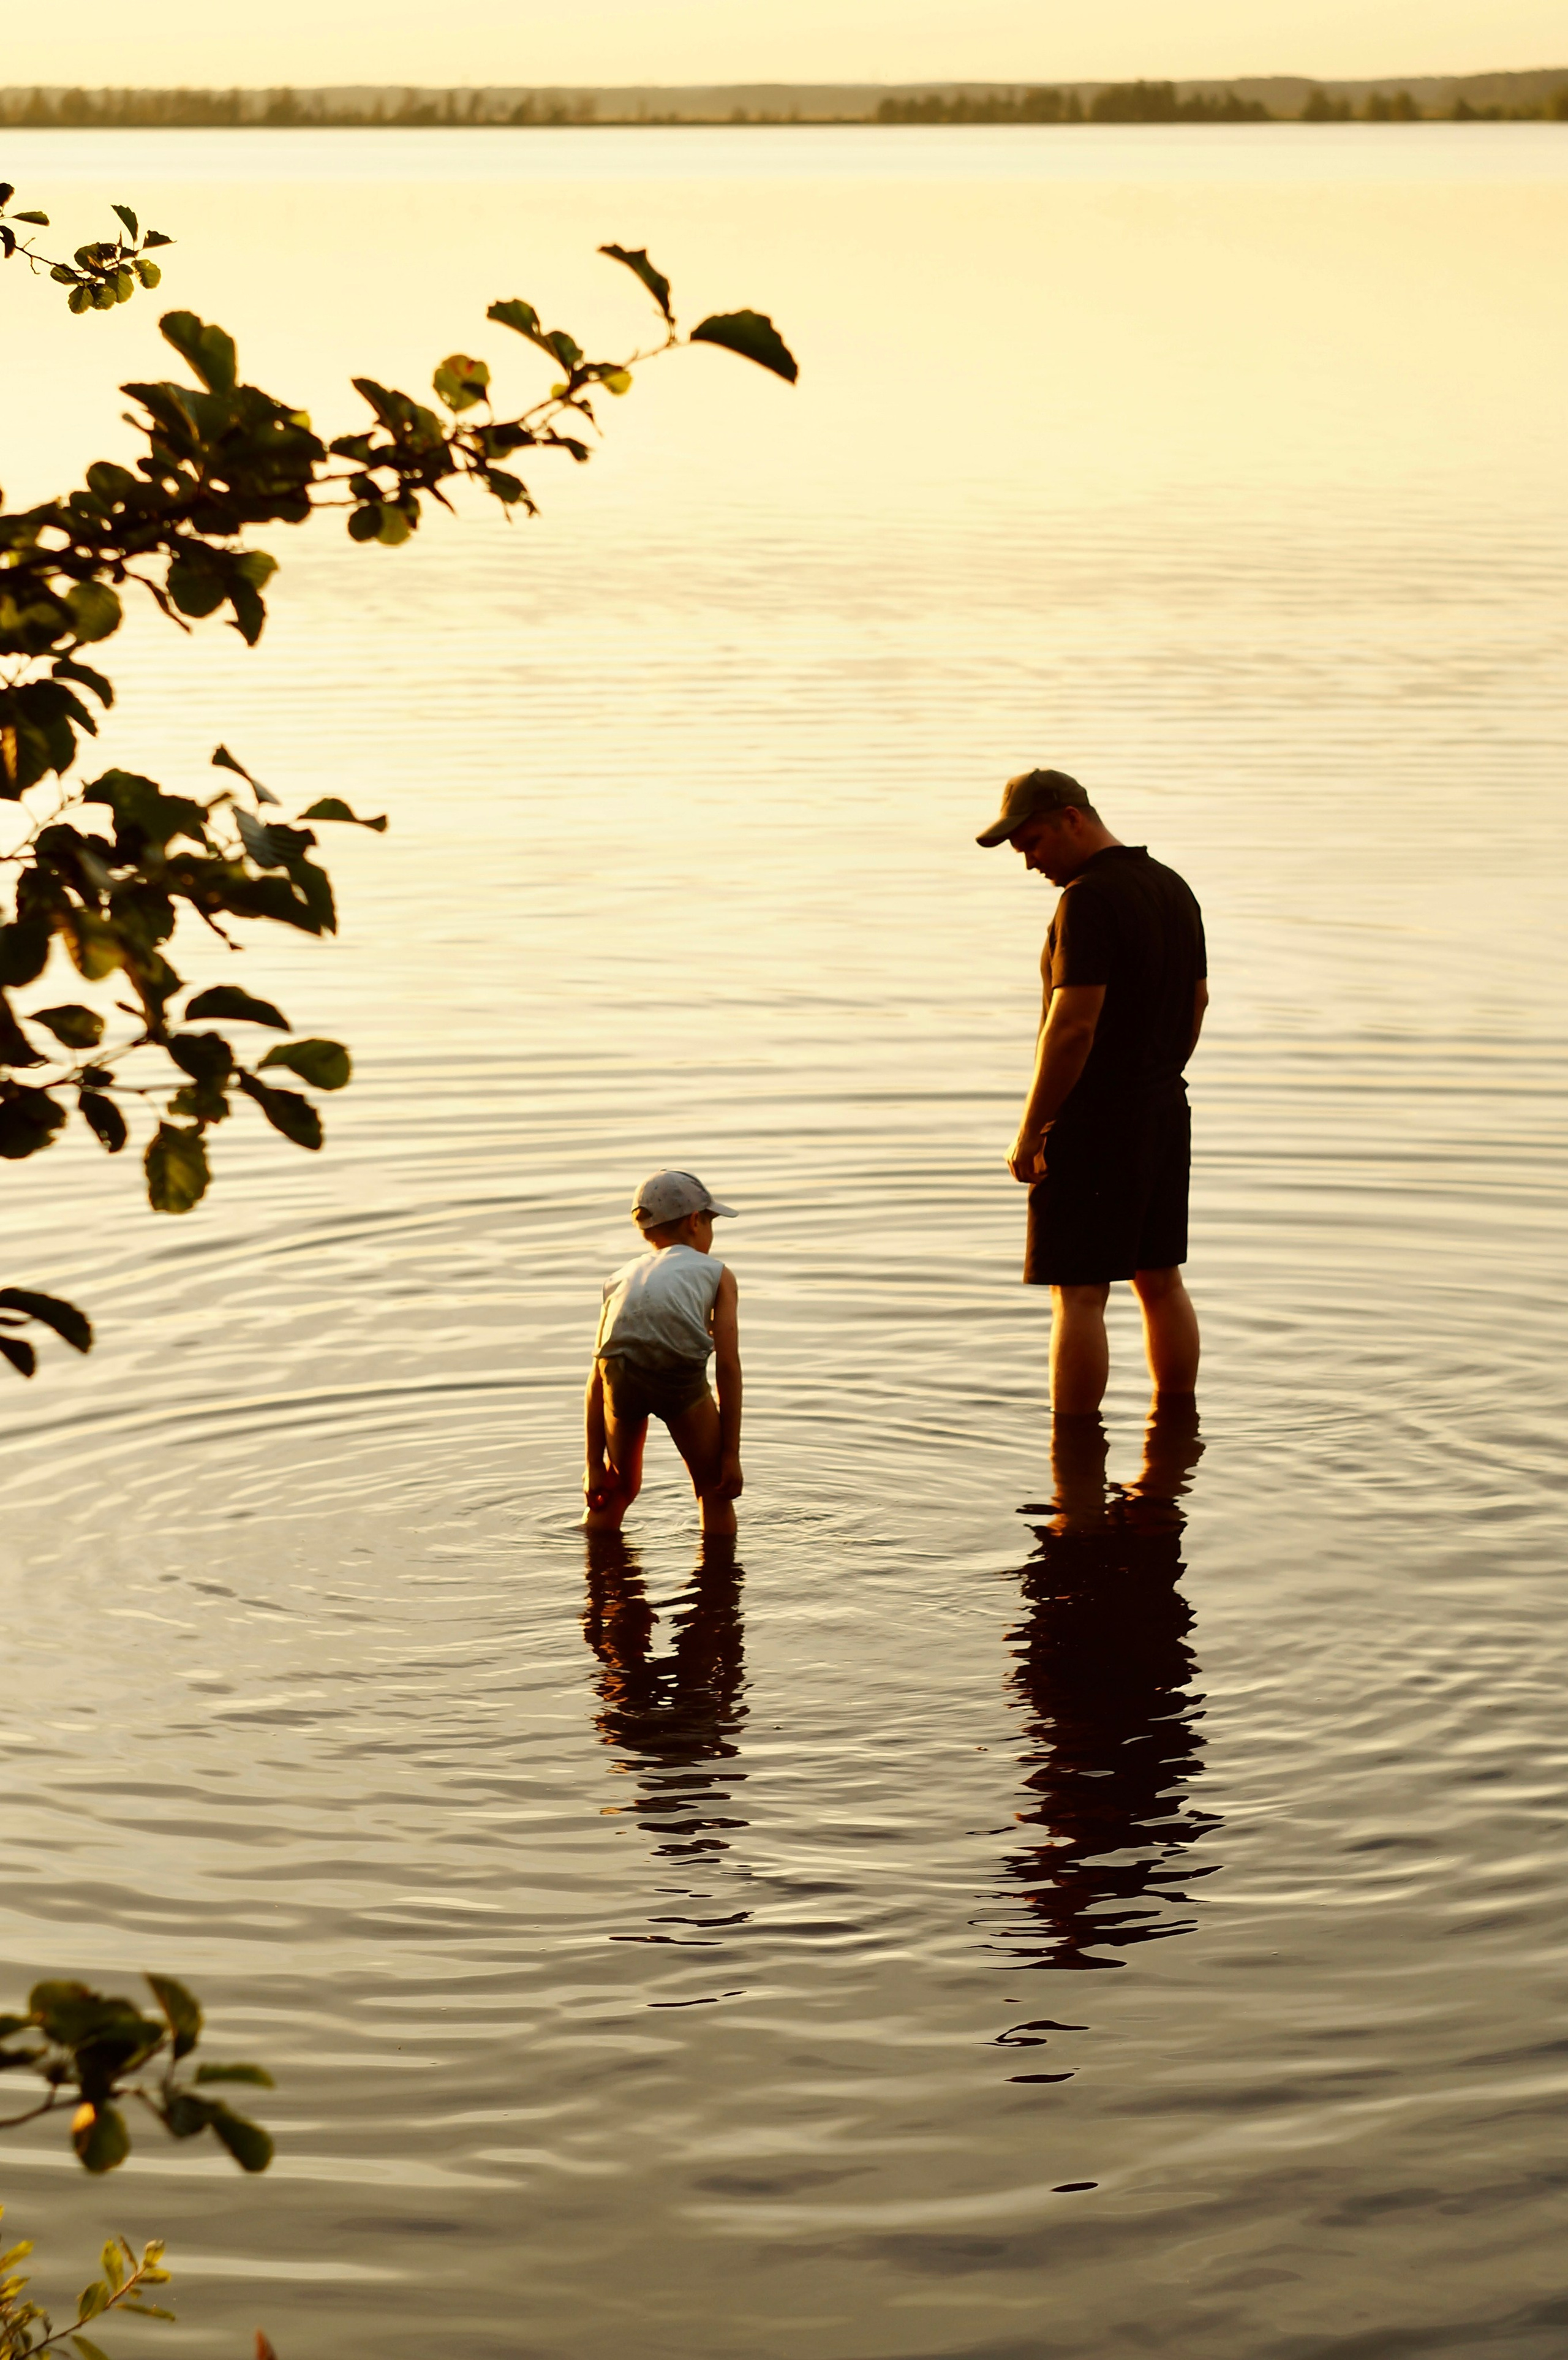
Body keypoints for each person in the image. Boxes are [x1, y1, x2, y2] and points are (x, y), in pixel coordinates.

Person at [976, 766, 1208, 1416]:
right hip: (1163, 1109)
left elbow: (1073, 1025)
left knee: (1078, 1293)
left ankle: (1072, 1449)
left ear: (1072, 819)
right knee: (1160, 1280)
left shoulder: (1088, 900)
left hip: (1094, 1119)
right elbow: (1197, 1002)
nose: (1029, 863)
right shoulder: (1171, 887)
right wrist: (1158, 1077)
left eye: (1032, 843)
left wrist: (1032, 1131)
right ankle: (1176, 1430)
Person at [583, 1169, 744, 1536]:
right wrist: (730, 1456)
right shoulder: (717, 1273)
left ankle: (597, 1563)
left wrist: (593, 1463)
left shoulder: (619, 1278)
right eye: (711, 1222)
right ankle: (719, 1572)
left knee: (618, 1487)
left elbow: (597, 1376)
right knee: (714, 1489)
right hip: (676, 1378)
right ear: (694, 1221)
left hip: (620, 1377)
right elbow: (729, 1366)